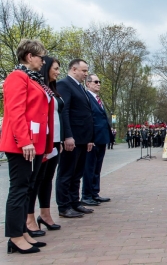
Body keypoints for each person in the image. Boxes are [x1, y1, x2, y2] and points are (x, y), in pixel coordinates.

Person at [0, 39, 54, 254]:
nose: (44, 61)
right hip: (21, 144)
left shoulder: (33, 79)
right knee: (19, 190)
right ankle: (14, 236)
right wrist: (24, 141)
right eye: (41, 57)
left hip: (35, 144)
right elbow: (15, 112)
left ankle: (22, 232)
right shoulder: (17, 77)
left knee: (27, 189)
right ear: (30, 56)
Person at [26, 56, 63, 237]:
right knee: (35, 179)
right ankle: (29, 218)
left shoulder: (52, 89)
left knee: (47, 179)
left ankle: (45, 214)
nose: (57, 72)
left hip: (55, 139)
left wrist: (61, 139)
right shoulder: (38, 86)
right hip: (42, 139)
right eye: (55, 68)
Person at [56, 59, 94, 218]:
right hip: (72, 138)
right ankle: (64, 206)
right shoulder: (64, 84)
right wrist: (67, 136)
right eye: (84, 71)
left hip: (83, 138)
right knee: (66, 173)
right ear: (73, 69)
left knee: (77, 173)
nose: (86, 74)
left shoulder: (80, 87)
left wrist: (89, 138)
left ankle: (74, 202)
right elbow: (64, 111)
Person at [81, 74, 112, 206]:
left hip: (101, 138)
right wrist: (89, 138)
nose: (99, 84)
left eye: (100, 81)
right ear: (88, 83)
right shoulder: (86, 98)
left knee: (97, 168)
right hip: (92, 139)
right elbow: (88, 119)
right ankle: (86, 195)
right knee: (89, 167)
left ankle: (94, 192)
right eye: (96, 81)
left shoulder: (98, 99)